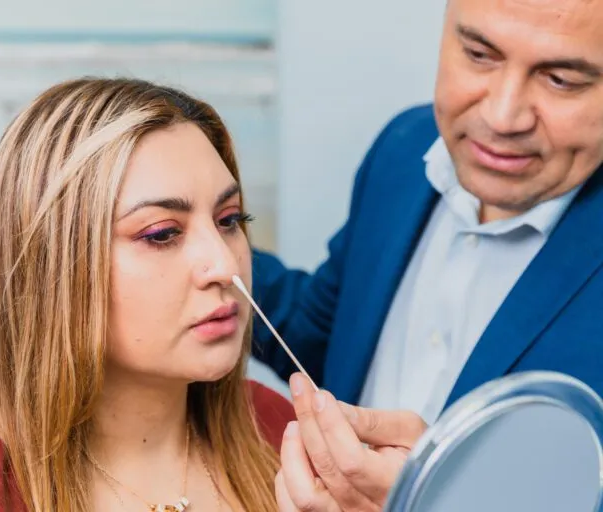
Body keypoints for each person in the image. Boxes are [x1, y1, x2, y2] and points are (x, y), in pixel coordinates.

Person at [0, 77, 296, 512]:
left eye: (229, 220)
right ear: (51, 268)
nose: (226, 266)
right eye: (162, 233)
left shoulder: (275, 427)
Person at [255, 0, 603, 509]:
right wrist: (198, 250)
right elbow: (318, 330)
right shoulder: (403, 148)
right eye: (480, 54)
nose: (502, 116)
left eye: (561, 80)